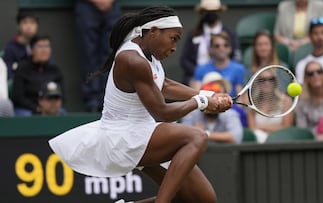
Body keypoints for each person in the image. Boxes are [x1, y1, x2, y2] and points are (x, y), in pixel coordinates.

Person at [49, 6, 233, 203]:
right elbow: (162, 112)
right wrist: (202, 101)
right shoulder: (131, 59)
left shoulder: (148, 55)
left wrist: (207, 94)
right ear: (153, 31)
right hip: (123, 139)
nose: (174, 48)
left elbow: (164, 84)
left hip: (142, 134)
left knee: (202, 200)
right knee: (196, 137)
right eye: (173, 39)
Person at [179, 0, 241, 85]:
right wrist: (200, 72)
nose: (211, 14)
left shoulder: (230, 34)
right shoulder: (194, 34)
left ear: (219, 12)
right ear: (202, 13)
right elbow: (184, 60)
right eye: (207, 11)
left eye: (214, 11)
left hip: (225, 76)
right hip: (197, 76)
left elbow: (236, 57)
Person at [75, 0, 121, 112]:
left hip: (112, 7)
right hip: (87, 6)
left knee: (112, 54)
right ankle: (92, 101)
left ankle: (109, 99)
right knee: (89, 55)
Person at [182, 72, 243, 144]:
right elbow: (183, 138)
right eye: (210, 92)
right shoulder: (191, 114)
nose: (214, 98)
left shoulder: (231, 114)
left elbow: (236, 138)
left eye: (218, 92)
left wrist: (204, 134)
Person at [12, 35, 64, 116]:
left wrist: (52, 106)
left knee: (63, 114)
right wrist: (36, 108)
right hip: (28, 109)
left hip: (52, 108)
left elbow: (62, 96)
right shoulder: (22, 69)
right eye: (40, 46)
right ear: (32, 50)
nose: (44, 50)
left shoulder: (55, 71)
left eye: (47, 46)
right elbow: (18, 97)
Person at [191, 32, 246, 97]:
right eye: (217, 46)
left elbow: (240, 97)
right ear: (210, 49)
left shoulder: (239, 69)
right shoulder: (200, 69)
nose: (221, 48)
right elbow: (196, 96)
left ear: (230, 48)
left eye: (225, 45)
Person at [247, 68, 295, 143]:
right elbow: (252, 129)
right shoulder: (252, 103)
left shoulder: (286, 101)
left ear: (275, 82)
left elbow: (286, 128)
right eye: (263, 79)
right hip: (259, 144)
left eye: (271, 79)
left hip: (281, 141)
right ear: (258, 82)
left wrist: (261, 127)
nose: (267, 82)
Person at [296, 61, 323, 132]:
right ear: (306, 78)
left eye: (319, 71)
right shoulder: (302, 104)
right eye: (310, 74)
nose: (315, 75)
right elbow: (302, 131)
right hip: (312, 141)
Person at [3, 10, 39, 80]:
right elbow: (8, 74)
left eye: (32, 22)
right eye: (25, 22)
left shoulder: (42, 45)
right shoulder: (10, 48)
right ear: (18, 26)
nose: (29, 26)